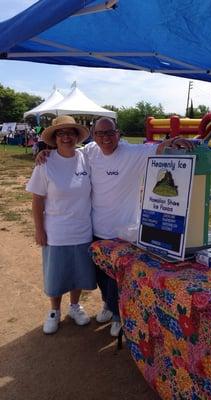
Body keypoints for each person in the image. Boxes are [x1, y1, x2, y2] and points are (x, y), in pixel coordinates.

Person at [37, 117, 193, 336]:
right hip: (95, 229)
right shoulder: (89, 152)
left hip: (124, 231)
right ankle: (108, 306)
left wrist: (173, 142)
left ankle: (120, 315)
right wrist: (44, 152)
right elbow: (65, 154)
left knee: (118, 278)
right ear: (93, 136)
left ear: (118, 134)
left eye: (109, 133)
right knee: (101, 274)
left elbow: (158, 148)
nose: (105, 138)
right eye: (100, 134)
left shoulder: (132, 153)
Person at [26, 115, 97, 334]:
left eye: (70, 133)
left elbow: (112, 143)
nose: (66, 137)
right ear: (55, 138)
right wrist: (39, 229)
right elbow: (37, 200)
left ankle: (74, 307)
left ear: (77, 137)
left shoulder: (87, 158)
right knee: (56, 275)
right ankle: (54, 311)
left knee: (77, 273)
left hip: (83, 230)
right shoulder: (45, 162)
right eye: (61, 133)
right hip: (56, 232)